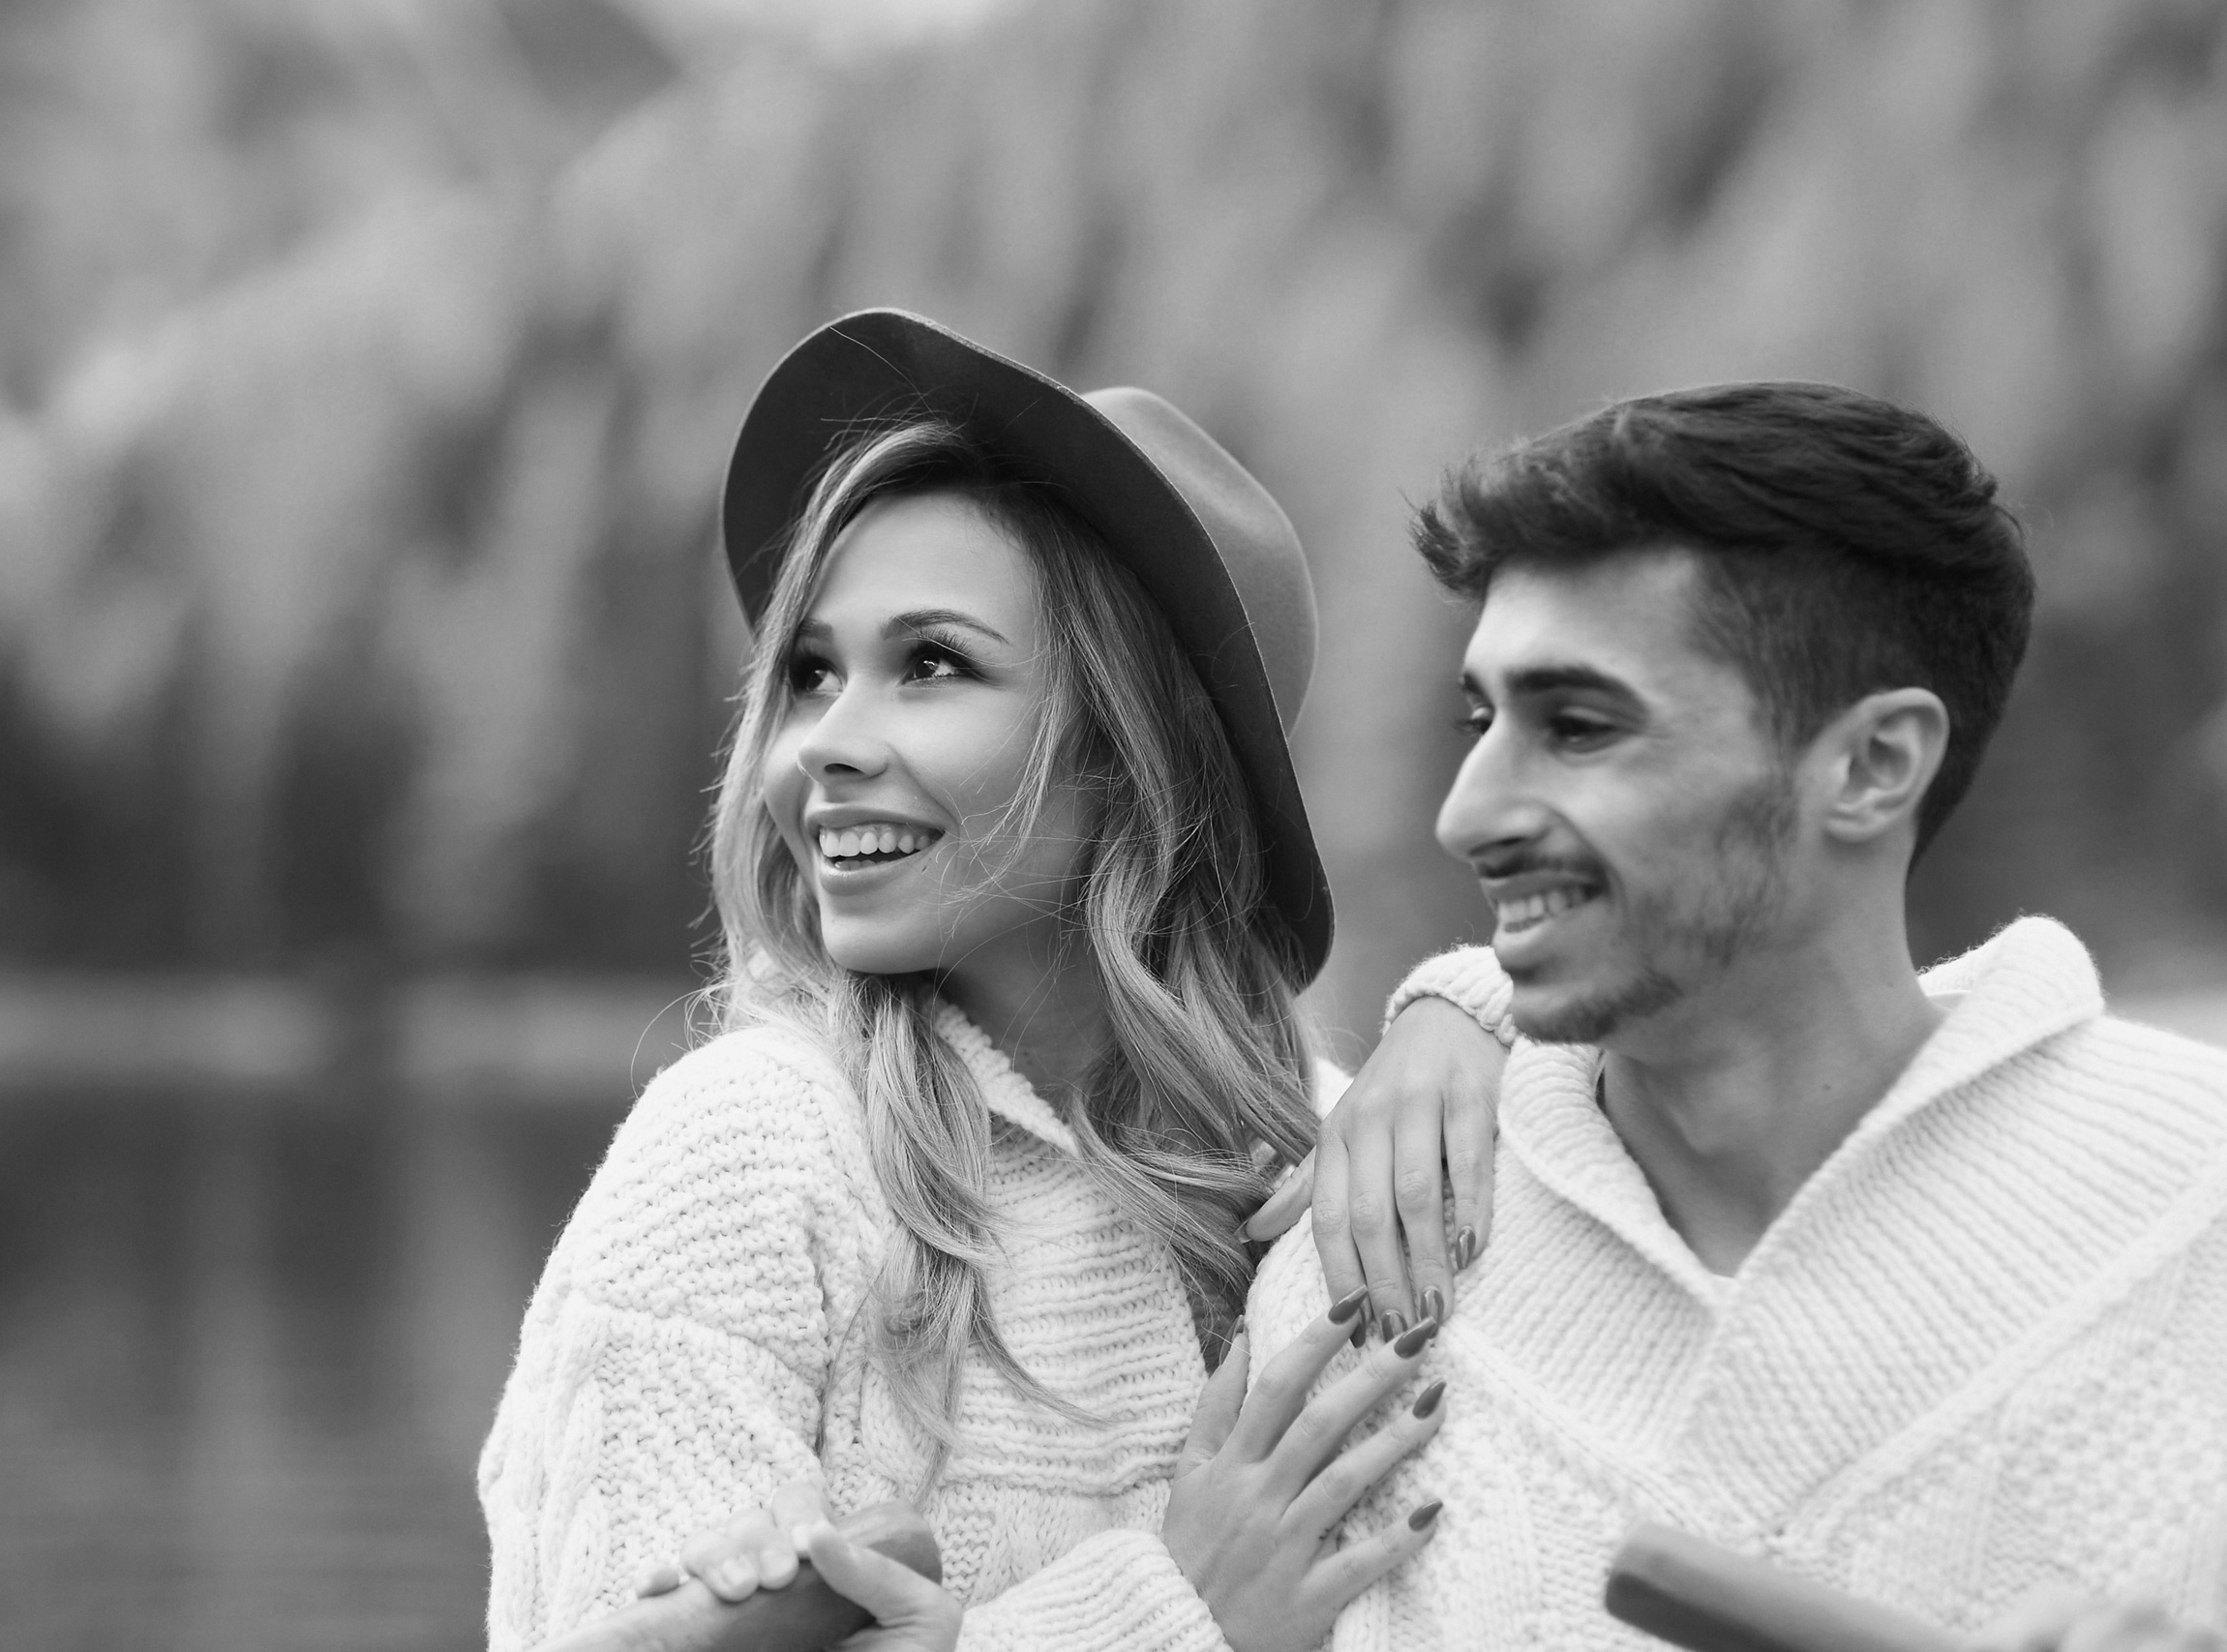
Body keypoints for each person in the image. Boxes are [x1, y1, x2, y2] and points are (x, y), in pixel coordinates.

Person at [477, 310, 1489, 1652]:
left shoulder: (1345, 1155)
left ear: (1134, 753)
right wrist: (1167, 1620)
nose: (824, 745)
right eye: (811, 673)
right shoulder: (752, 1156)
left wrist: (1482, 1017)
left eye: (932, 665)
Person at [1244, 382, 2227, 1651]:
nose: (1466, 814)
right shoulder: (1360, 1269)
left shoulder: (2198, 1212)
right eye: (1478, 721)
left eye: (1580, 726)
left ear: (1873, 766)